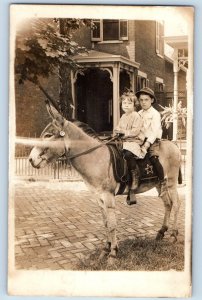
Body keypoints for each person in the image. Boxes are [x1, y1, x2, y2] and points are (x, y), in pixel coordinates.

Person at [135, 87, 168, 196]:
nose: (143, 102)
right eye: (141, 100)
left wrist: (147, 144)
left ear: (152, 100)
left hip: (152, 140)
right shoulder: (138, 113)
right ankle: (135, 179)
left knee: (153, 158)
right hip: (140, 139)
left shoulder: (155, 114)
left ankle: (162, 182)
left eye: (146, 100)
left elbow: (154, 132)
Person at [114, 90, 145, 192]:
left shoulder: (136, 115)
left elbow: (135, 131)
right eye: (124, 103)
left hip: (134, 140)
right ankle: (119, 173)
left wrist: (123, 132)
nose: (126, 105)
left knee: (127, 154)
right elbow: (118, 127)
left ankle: (135, 174)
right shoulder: (123, 116)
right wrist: (117, 131)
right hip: (124, 140)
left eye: (129, 103)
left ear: (134, 105)